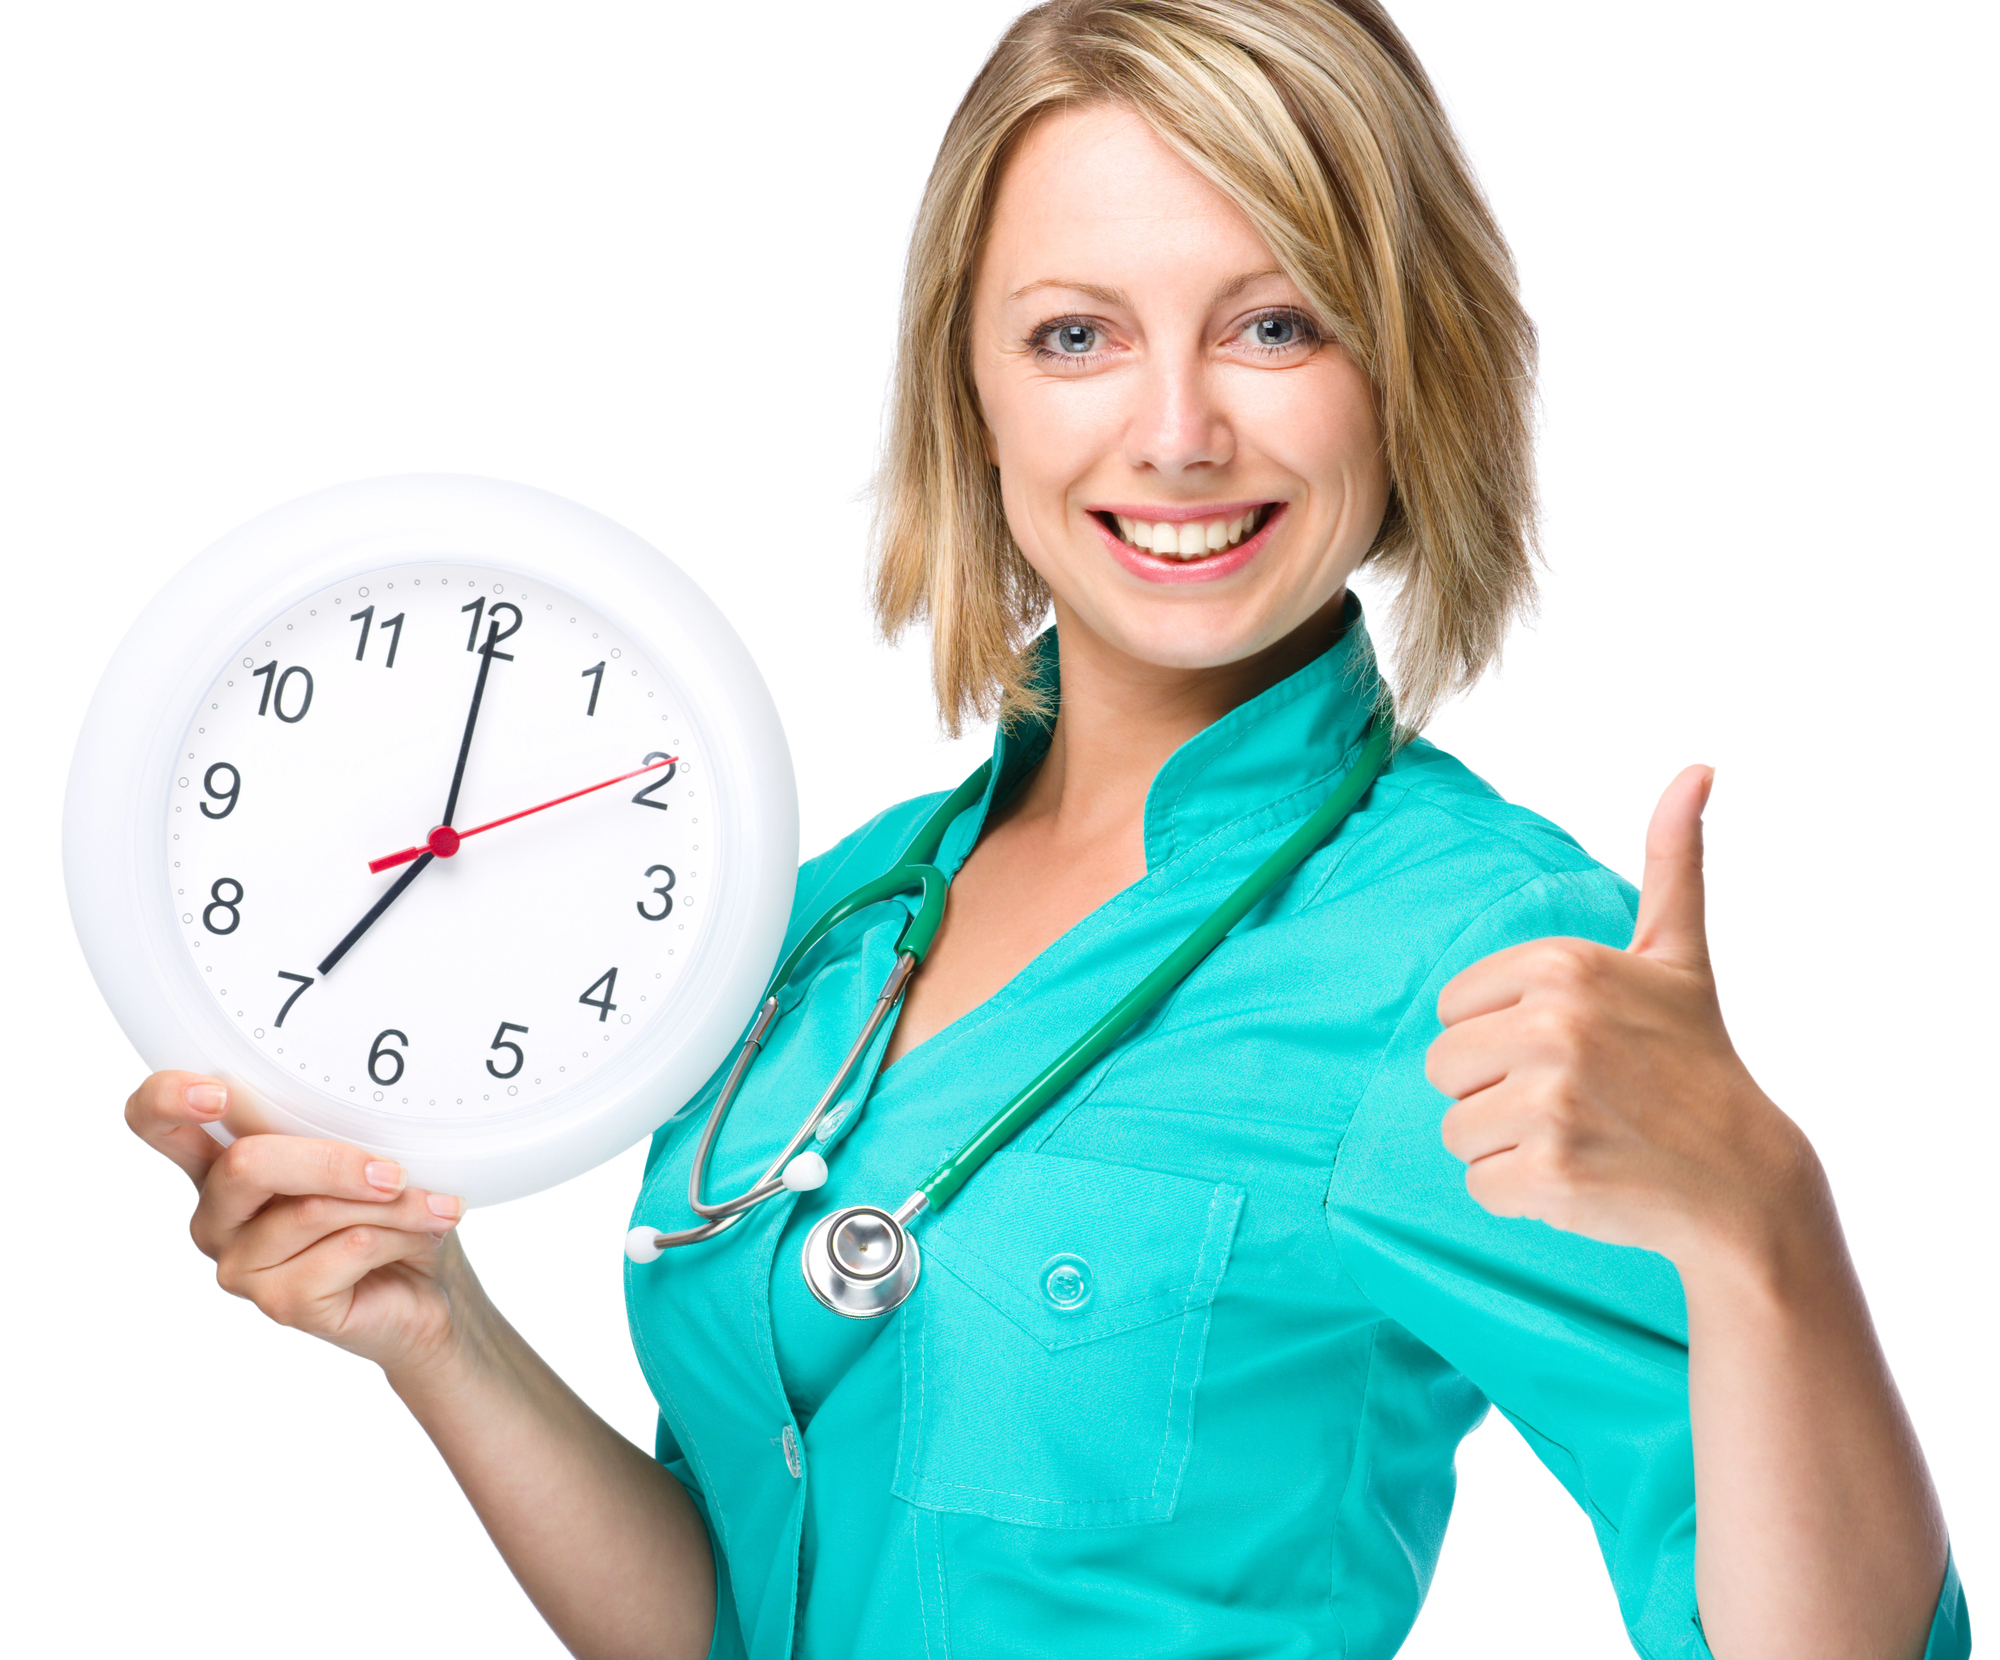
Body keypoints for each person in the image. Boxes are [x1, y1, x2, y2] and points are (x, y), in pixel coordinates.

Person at [124, 3, 1966, 1657]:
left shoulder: (1476, 957)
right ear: (973, 390)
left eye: (1276, 323)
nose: (1175, 431)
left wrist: (1764, 1220)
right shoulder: (834, 920)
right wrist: (431, 1325)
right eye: (1077, 333)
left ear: (1411, 375)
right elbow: (739, 1613)